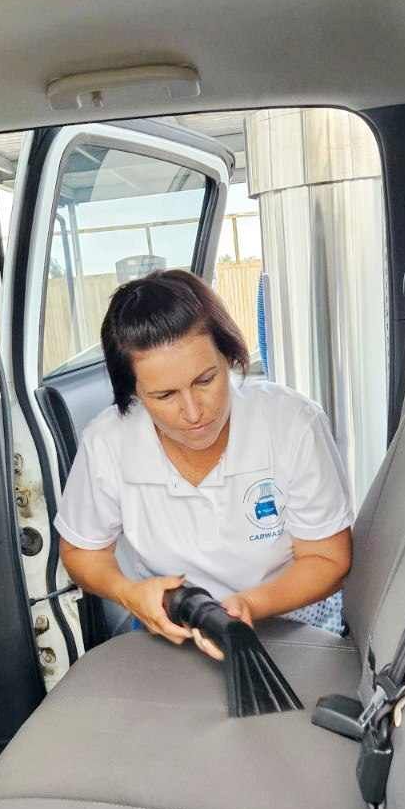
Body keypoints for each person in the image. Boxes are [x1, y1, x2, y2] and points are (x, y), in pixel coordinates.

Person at [55, 269, 353, 661]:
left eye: (206, 380)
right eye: (165, 395)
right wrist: (128, 593)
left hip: (290, 621)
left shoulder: (293, 424)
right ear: (135, 393)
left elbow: (328, 558)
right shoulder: (108, 442)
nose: (193, 412)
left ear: (229, 356)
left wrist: (249, 606)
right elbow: (83, 553)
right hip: (174, 630)